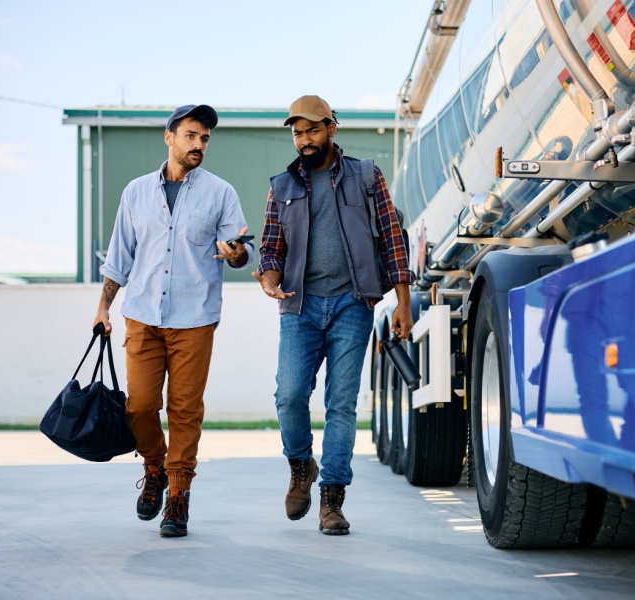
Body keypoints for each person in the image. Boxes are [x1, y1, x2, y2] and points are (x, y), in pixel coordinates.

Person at [253, 95, 413, 535]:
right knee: (288, 395)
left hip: (352, 303)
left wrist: (402, 302)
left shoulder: (366, 176)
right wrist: (268, 279)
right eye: (297, 133)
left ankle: (333, 502)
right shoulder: (281, 187)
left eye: (312, 130)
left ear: (331, 128)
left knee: (340, 405)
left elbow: (392, 241)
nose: (304, 140)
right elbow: (270, 248)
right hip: (299, 305)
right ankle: (301, 465)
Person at [93, 104, 254, 538]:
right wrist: (103, 307)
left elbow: (240, 250)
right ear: (170, 137)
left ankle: (178, 494)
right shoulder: (136, 192)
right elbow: (119, 255)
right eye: (191, 136)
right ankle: (154, 468)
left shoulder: (220, 193)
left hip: (194, 318)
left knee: (185, 410)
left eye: (204, 139)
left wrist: (237, 254)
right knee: (140, 405)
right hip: (142, 316)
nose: (199, 144)